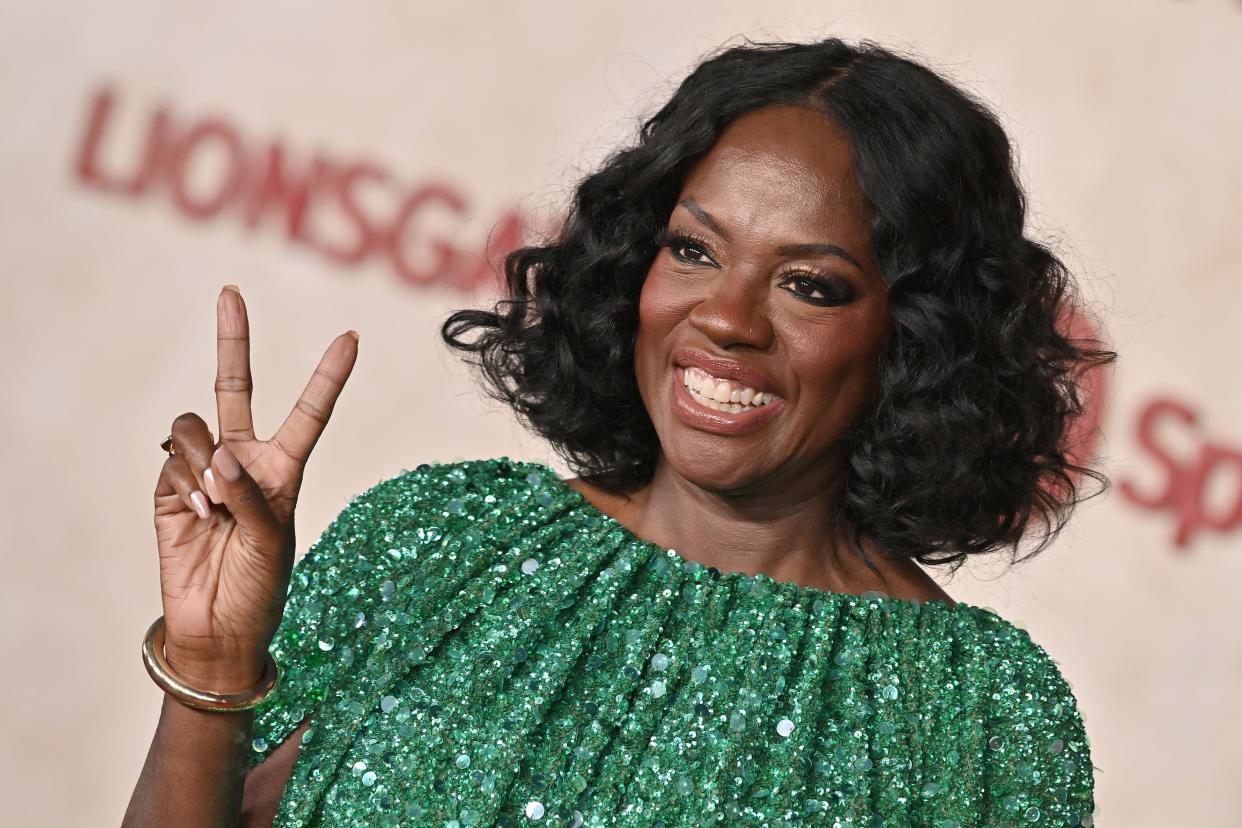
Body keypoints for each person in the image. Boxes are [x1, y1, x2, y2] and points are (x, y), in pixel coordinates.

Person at [123, 37, 1113, 828]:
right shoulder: (448, 539)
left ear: (917, 336)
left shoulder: (976, 715)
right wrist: (210, 673)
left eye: (808, 284)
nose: (727, 318)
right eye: (693, 250)